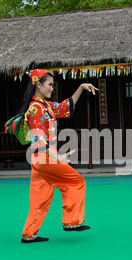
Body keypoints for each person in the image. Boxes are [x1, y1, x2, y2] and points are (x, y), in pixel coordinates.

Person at [18, 69, 98, 243]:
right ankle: (72, 221)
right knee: (76, 181)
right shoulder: (35, 109)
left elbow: (65, 106)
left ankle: (29, 234)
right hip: (45, 157)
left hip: (40, 159)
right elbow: (38, 139)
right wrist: (58, 157)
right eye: (49, 84)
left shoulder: (45, 106)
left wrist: (81, 88)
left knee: (41, 197)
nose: (52, 88)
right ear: (38, 85)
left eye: (52, 85)